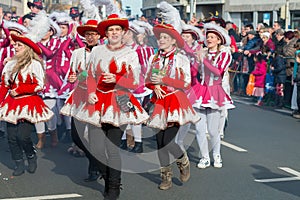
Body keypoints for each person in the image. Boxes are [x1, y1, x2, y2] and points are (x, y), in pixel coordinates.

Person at [75, 14, 149, 199]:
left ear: (123, 32)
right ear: (106, 33)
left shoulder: (131, 53)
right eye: (110, 30)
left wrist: (117, 79)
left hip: (121, 100)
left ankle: (114, 187)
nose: (114, 33)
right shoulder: (98, 51)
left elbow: (135, 81)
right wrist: (91, 91)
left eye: (117, 29)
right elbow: (90, 75)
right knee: (96, 147)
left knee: (112, 148)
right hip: (98, 100)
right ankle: (108, 178)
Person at [145, 23, 200, 190]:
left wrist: (164, 81)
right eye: (160, 37)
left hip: (175, 101)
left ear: (173, 42)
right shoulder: (154, 58)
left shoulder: (180, 59)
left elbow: (185, 83)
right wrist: (154, 86)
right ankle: (166, 176)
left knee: (168, 141)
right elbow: (148, 79)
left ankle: (182, 161)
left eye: (165, 38)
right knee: (159, 141)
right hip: (158, 102)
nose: (161, 40)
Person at [0, 32, 53, 176]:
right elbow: (4, 85)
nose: (15, 47)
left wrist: (21, 90)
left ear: (27, 48)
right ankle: (18, 163)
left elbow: (40, 85)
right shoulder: (10, 63)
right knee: (11, 137)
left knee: (22, 136)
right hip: (11, 103)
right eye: (15, 45)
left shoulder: (35, 64)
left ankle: (31, 156)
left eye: (19, 45)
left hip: (29, 103)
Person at [60, 19, 102, 181]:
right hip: (79, 96)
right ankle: (96, 161)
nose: (90, 37)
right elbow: (73, 74)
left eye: (93, 34)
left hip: (97, 97)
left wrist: (84, 76)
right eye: (87, 34)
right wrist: (72, 78)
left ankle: (93, 169)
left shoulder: (105, 52)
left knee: (94, 135)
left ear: (99, 35)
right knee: (76, 136)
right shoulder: (77, 53)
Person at [189, 22, 234, 169]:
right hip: (200, 92)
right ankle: (204, 157)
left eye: (212, 37)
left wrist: (203, 59)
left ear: (219, 40)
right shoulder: (202, 53)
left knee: (214, 130)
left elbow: (218, 71)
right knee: (200, 129)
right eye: (208, 37)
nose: (209, 39)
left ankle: (216, 154)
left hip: (215, 92)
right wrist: (193, 60)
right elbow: (193, 73)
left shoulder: (225, 54)